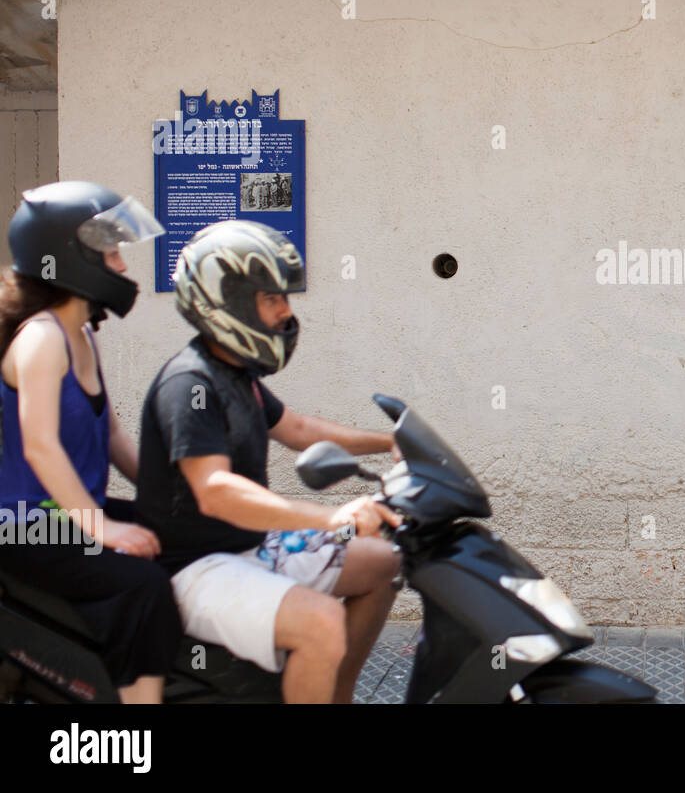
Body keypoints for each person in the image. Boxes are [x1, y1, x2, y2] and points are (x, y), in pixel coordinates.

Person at [136, 219, 401, 703]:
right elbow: (215, 491)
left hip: (250, 548)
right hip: (198, 568)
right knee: (319, 624)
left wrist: (392, 442)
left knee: (385, 561)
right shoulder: (189, 384)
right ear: (227, 302)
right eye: (271, 298)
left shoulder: (238, 375)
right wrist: (331, 516)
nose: (285, 312)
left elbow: (299, 430)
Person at [0, 181, 181, 702]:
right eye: (111, 251)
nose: (122, 267)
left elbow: (113, 435)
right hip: (27, 525)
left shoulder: (80, 334)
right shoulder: (41, 338)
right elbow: (41, 446)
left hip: (70, 513)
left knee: (189, 536)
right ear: (67, 256)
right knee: (141, 585)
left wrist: (166, 497)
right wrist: (102, 527)